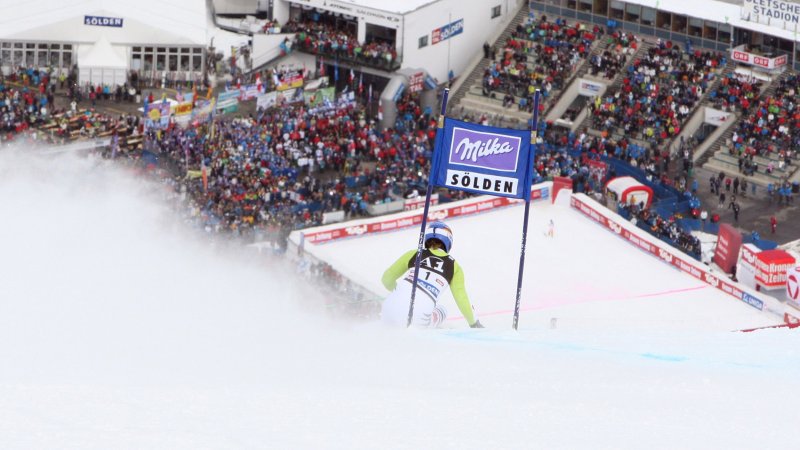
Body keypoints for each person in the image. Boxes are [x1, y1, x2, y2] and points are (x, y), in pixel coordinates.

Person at [380, 221, 483, 328]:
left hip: (389, 307)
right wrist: (474, 323)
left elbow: (386, 279)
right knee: (442, 310)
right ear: (448, 241)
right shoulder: (454, 266)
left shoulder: (414, 253)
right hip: (417, 318)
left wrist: (399, 291)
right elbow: (462, 299)